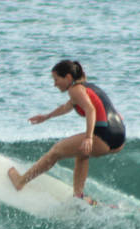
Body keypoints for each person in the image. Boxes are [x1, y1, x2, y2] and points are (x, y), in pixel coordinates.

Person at [8, 59, 126, 201]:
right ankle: (78, 196)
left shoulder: (74, 89)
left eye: (56, 79)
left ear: (68, 77)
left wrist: (89, 137)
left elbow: (90, 109)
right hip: (119, 137)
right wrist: (46, 117)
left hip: (104, 137)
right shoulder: (86, 87)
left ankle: (20, 182)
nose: (54, 84)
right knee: (82, 153)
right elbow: (66, 107)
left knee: (56, 151)